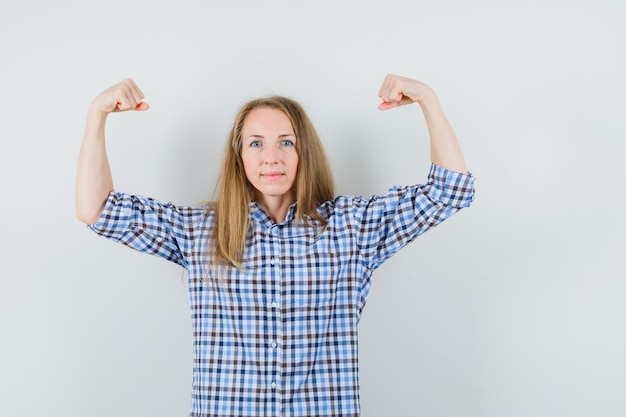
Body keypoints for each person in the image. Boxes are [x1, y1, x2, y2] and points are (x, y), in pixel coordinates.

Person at [76, 74, 475, 417]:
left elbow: (450, 191)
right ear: (240, 155)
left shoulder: (352, 227)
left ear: (305, 152)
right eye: (256, 143)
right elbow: (95, 209)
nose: (272, 157)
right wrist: (97, 114)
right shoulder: (199, 229)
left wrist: (429, 100)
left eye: (286, 142)